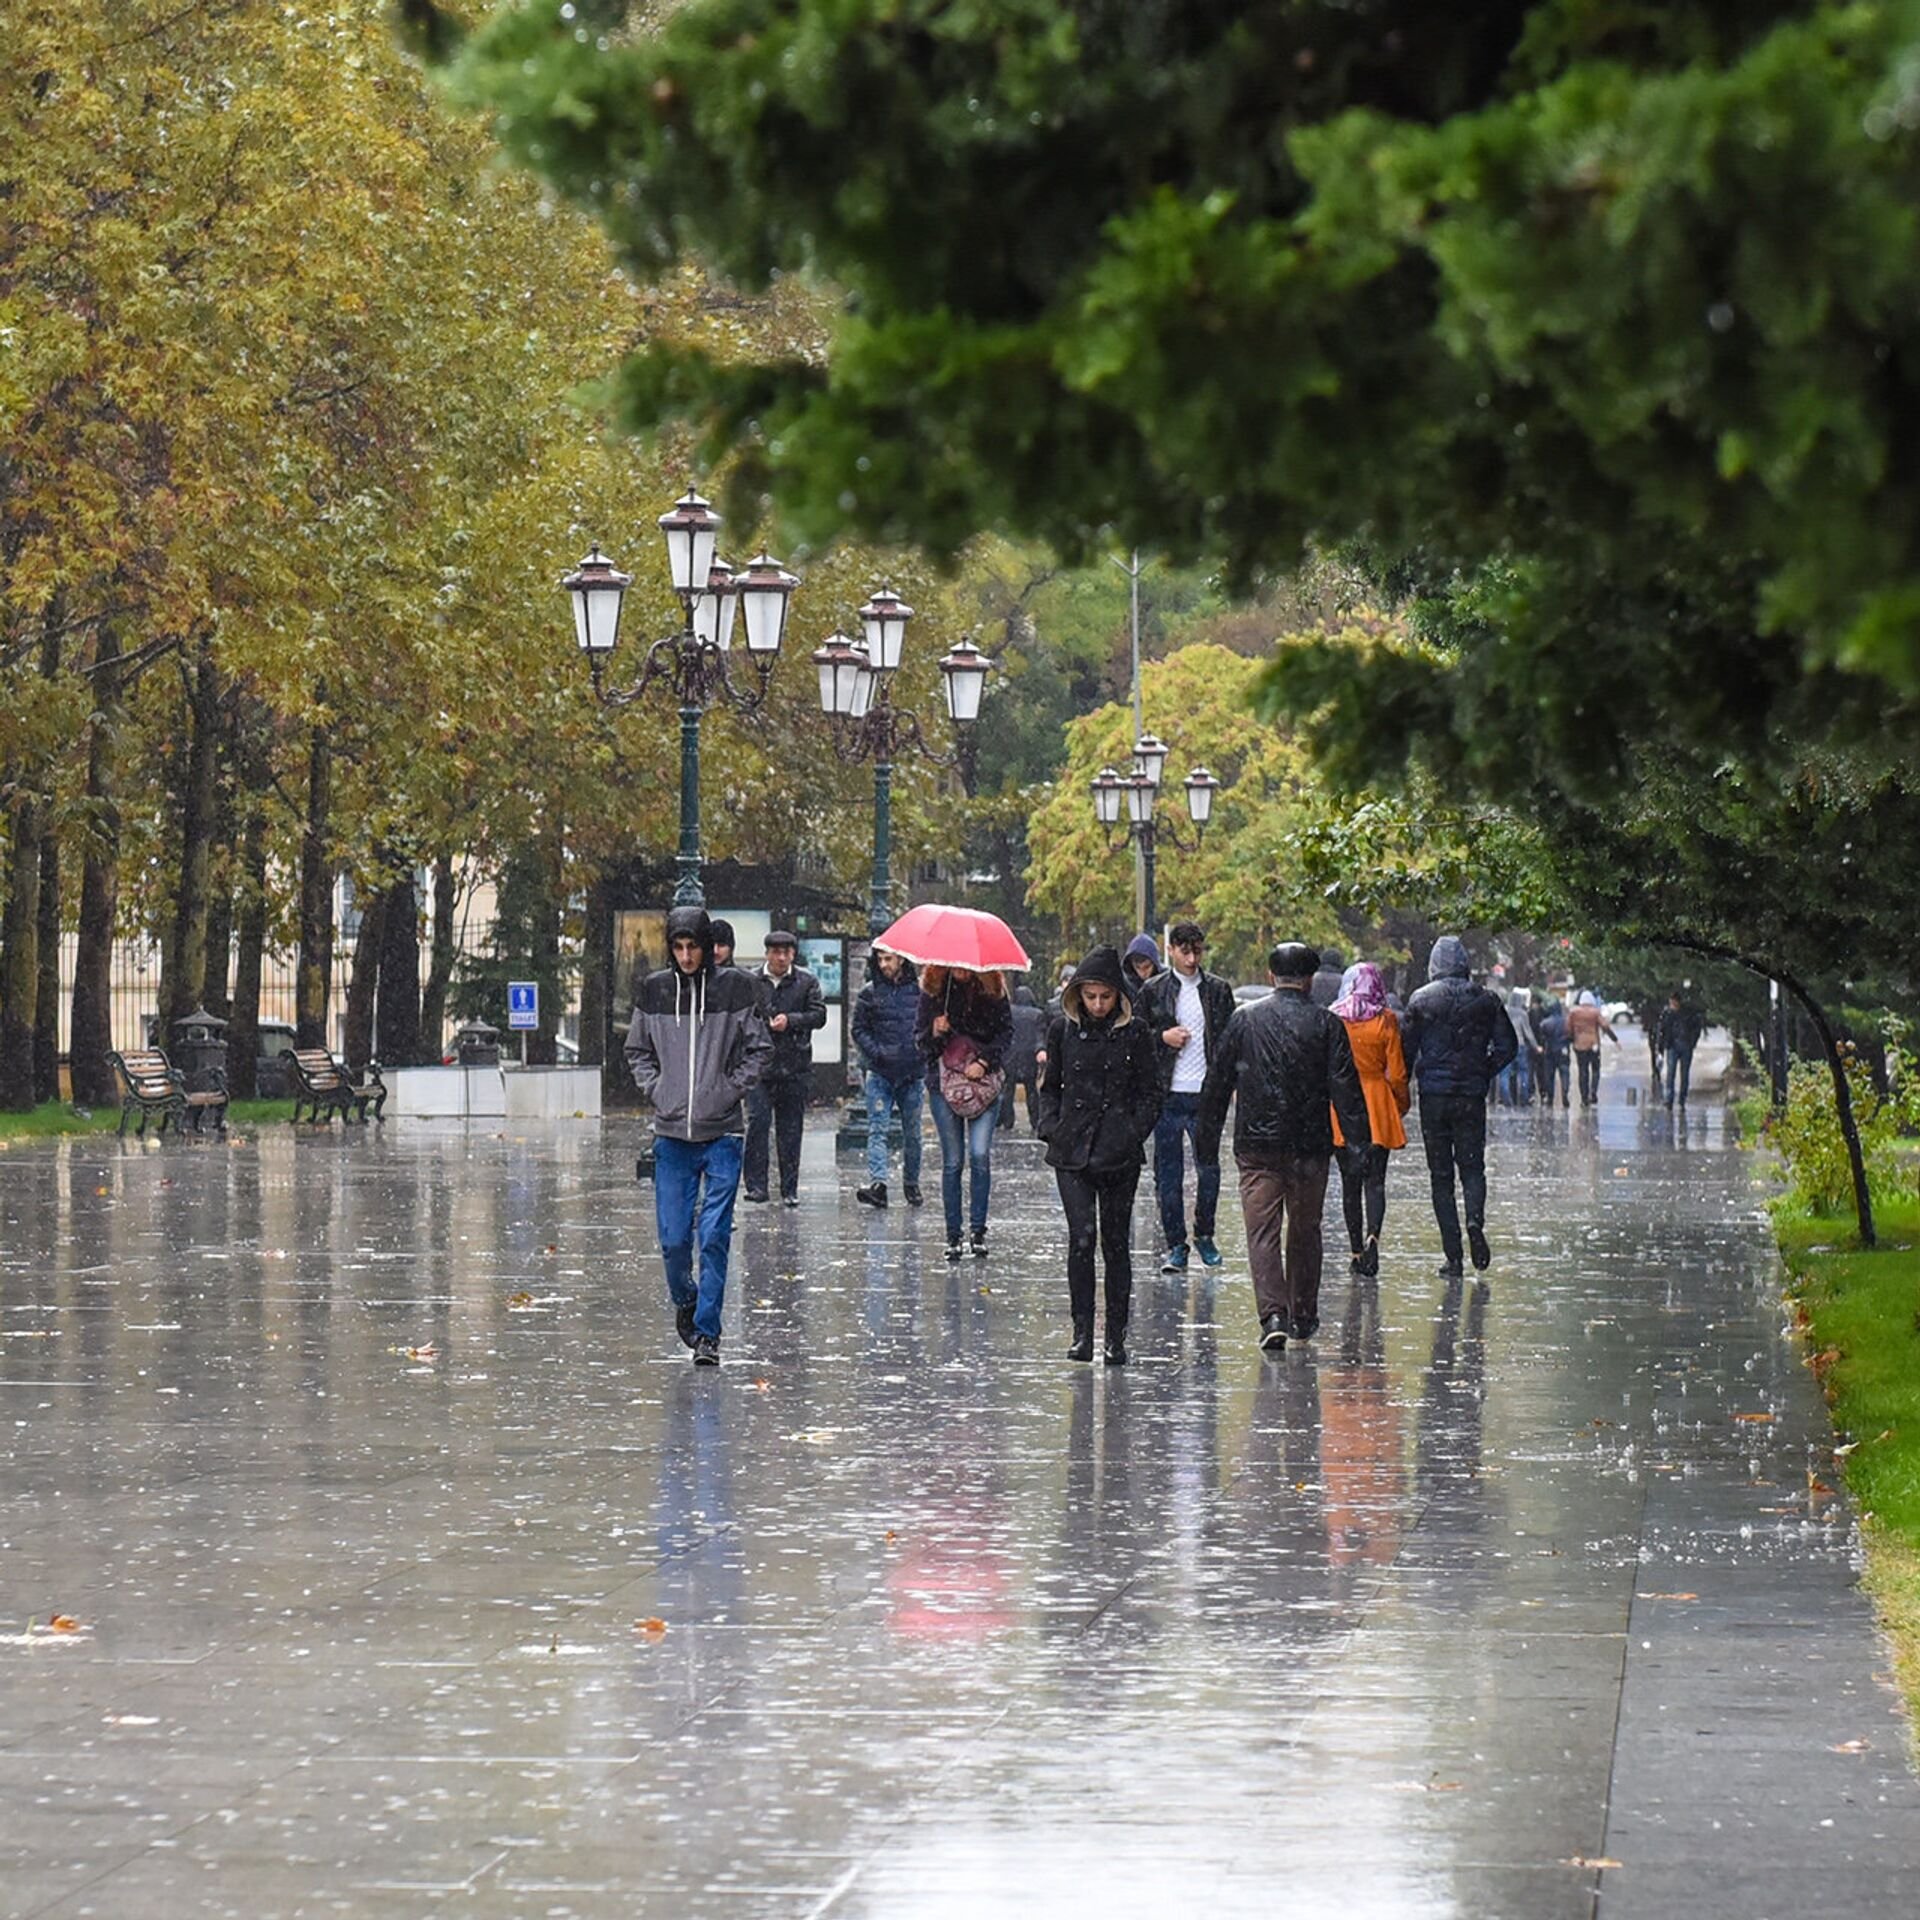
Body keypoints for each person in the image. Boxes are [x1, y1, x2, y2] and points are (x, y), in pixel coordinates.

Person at [1197, 942, 1370, 1353]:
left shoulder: (1243, 1021)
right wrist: (1357, 1147)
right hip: (1309, 1146)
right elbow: (1346, 1090)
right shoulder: (1327, 1025)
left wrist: (1206, 1140)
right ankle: (1303, 1312)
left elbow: (1217, 1084)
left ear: (1271, 975)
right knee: (1306, 1230)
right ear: (1309, 979)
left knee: (1262, 1232)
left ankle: (1272, 1314)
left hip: (1257, 1145)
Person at [624, 906, 771, 1366]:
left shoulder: (737, 988)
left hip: (724, 1131)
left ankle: (708, 1333)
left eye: (694, 947)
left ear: (707, 947)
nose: (686, 956)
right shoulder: (654, 990)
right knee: (672, 1240)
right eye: (679, 947)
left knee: (713, 1235)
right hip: (671, 1134)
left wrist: (729, 1090)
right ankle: (686, 1299)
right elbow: (637, 1049)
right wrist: (657, 1090)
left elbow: (759, 1048)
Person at [1038, 946, 1163, 1365]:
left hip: (1117, 1151)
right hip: (1071, 1149)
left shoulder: (1137, 1033)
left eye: (1104, 997)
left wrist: (1132, 1133)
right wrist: (1051, 1127)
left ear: (1117, 997)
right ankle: (1081, 1331)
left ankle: (1116, 1335)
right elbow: (1049, 1086)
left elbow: (1150, 1093)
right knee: (1081, 1239)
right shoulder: (1062, 1030)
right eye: (1089, 997)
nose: (1096, 1005)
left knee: (1115, 1243)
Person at [1401, 935, 1517, 1279]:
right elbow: (1508, 1046)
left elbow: (1405, 1052)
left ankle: (1453, 1257)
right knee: (1472, 1168)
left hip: (1434, 1096)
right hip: (1470, 1095)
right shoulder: (1486, 999)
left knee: (1440, 1178)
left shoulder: (1421, 1000)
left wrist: (1409, 1082)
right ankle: (1474, 1221)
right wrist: (1482, 1070)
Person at [1140, 919, 1234, 1273]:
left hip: (1206, 1094)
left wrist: (1227, 1084)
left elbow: (1228, 1040)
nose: (1192, 959)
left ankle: (1204, 1235)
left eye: (1197, 951)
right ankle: (1175, 1244)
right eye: (1185, 951)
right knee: (1169, 1174)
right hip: (1167, 1093)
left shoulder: (1218, 991)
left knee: (1209, 1169)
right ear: (1171, 950)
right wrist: (1161, 1038)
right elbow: (1136, 1036)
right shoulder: (1153, 991)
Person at [918, 963, 1013, 1260]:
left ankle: (978, 1230)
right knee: (953, 1161)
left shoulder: (993, 989)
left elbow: (1006, 1034)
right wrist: (935, 1031)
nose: (961, 969)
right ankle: (953, 1234)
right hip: (943, 1086)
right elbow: (921, 1044)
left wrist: (983, 1062)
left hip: (984, 1084)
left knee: (980, 1154)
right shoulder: (934, 991)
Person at [1329, 961, 1410, 1279]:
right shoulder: (1386, 1019)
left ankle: (1355, 1250)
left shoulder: (1334, 1018)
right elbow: (1398, 1072)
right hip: (1378, 1104)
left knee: (1349, 1183)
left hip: (1342, 1105)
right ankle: (1373, 1237)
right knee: (1375, 1181)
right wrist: (1399, 1105)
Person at [743, 931, 826, 1207]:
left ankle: (789, 1187)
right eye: (776, 952)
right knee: (758, 1123)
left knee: (791, 1129)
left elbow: (819, 1015)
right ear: (767, 953)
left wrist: (790, 1021)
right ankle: (756, 1186)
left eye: (786, 953)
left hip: (794, 1066)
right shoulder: (752, 982)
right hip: (760, 1068)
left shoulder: (806, 981)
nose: (780, 958)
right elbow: (741, 1017)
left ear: (793, 954)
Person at [851, 947, 924, 1208]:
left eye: (888, 959)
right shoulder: (870, 993)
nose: (884, 965)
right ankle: (878, 1184)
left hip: (912, 1073)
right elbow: (858, 1029)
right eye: (880, 959)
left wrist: (919, 1051)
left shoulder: (919, 993)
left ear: (901, 959)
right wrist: (876, 1052)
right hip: (881, 1071)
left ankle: (911, 1182)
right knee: (877, 1129)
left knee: (912, 1133)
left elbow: (926, 1027)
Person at [999, 984, 1046, 1134]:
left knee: (1008, 1089)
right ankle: (1035, 1121)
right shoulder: (1037, 1014)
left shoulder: (1008, 1012)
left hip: (1010, 1055)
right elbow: (1040, 1035)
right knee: (1031, 1090)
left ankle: (1007, 1121)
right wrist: (1040, 1049)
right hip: (1029, 1056)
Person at [1567, 989, 1619, 1107]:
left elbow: (1568, 1028)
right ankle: (1593, 1092)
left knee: (1582, 1071)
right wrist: (1614, 1039)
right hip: (1593, 1044)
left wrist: (1571, 1039)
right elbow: (1605, 1026)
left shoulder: (1574, 1013)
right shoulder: (1595, 1012)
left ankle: (1584, 1098)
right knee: (1595, 1069)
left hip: (1579, 1045)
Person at [1657, 992, 1706, 1109]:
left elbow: (1696, 1029)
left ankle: (1681, 1100)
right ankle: (1669, 1099)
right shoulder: (1667, 1014)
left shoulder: (1688, 1014)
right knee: (1671, 1073)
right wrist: (1661, 1047)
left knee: (1684, 1074)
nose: (1672, 1004)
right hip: (1672, 1046)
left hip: (1685, 1046)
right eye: (1671, 1002)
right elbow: (1662, 1031)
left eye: (1674, 1002)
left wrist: (1692, 1042)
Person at [1496, 988, 1536, 1107]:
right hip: (1519, 1045)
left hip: (1505, 1045)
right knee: (1523, 1072)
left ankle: (1507, 1100)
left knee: (1504, 1074)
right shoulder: (1522, 1014)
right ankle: (1524, 1098)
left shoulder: (1502, 1012)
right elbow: (1528, 1033)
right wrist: (1536, 1046)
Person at [1536, 994, 1571, 1107]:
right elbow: (1571, 1034)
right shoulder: (1566, 1021)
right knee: (1564, 1073)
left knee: (1549, 1075)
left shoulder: (1546, 1022)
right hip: (1563, 1050)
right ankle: (1565, 1094)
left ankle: (1550, 1097)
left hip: (1550, 1050)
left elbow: (1541, 1035)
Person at [1123, 934, 1162, 1003]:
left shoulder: (1168, 982)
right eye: (1137, 967)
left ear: (1155, 963)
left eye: (1147, 967)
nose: (1143, 973)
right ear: (1131, 965)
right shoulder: (1125, 986)